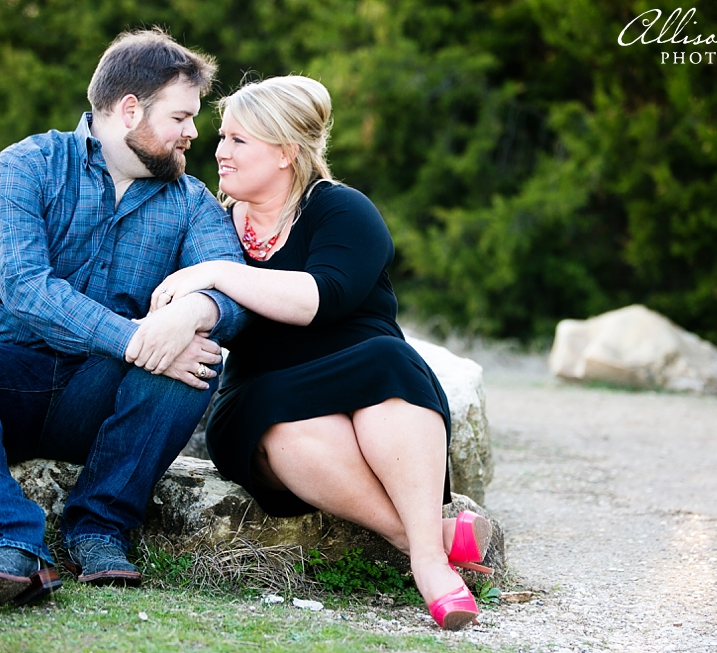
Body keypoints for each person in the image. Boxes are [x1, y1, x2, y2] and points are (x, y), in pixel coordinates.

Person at [0, 29, 247, 612]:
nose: (193, 133)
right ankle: (5, 545)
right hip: (1, 383)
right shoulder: (25, 167)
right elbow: (28, 290)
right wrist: (138, 336)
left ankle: (99, 526)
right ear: (130, 109)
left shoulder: (191, 202)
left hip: (97, 395)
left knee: (196, 359)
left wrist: (195, 310)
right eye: (181, 116)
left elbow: (233, 290)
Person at [150, 75, 492, 630]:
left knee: (391, 364)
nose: (219, 150)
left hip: (367, 374)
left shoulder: (342, 210)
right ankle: (436, 538)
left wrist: (216, 272)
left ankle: (428, 563)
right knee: (277, 425)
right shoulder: (210, 220)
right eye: (222, 137)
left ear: (286, 152)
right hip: (264, 392)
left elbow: (320, 297)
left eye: (238, 140)